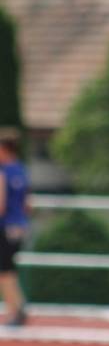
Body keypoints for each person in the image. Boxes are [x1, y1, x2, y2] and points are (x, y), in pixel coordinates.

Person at [0, 127, 30, 326]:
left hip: (5, 225)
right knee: (9, 268)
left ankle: (15, 311)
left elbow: (0, 205)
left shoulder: (2, 172)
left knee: (5, 270)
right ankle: (19, 307)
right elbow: (28, 204)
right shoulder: (21, 169)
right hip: (19, 226)